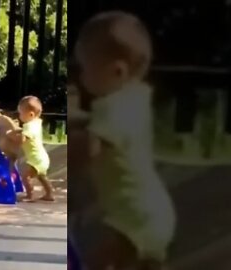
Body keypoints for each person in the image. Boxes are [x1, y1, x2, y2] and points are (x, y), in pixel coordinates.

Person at [72, 11, 176, 270]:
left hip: (134, 214)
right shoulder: (136, 98)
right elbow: (101, 130)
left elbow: (89, 149)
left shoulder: (113, 108)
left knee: (99, 261)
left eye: (85, 68)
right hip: (153, 212)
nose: (82, 77)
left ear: (116, 71)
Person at [7, 95, 55, 202]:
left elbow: (22, 140)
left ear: (31, 114)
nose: (19, 116)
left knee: (25, 177)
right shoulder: (36, 123)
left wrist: (11, 136)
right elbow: (24, 132)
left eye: (20, 113)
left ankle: (30, 195)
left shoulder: (30, 126)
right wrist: (17, 130)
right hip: (42, 158)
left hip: (36, 159)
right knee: (42, 177)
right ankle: (49, 194)